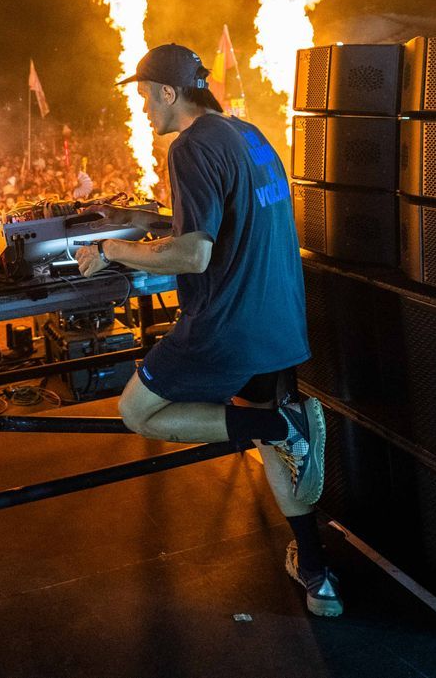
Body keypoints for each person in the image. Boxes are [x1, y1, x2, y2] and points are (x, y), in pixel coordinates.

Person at [74, 42, 341, 617]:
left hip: (226, 324)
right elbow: (232, 214)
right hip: (280, 320)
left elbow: (195, 256)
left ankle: (276, 423)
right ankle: (319, 577)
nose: (144, 109)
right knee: (277, 445)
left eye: (146, 97)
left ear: (169, 92)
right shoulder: (248, 134)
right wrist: (155, 223)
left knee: (136, 411)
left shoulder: (191, 147)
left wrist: (115, 248)